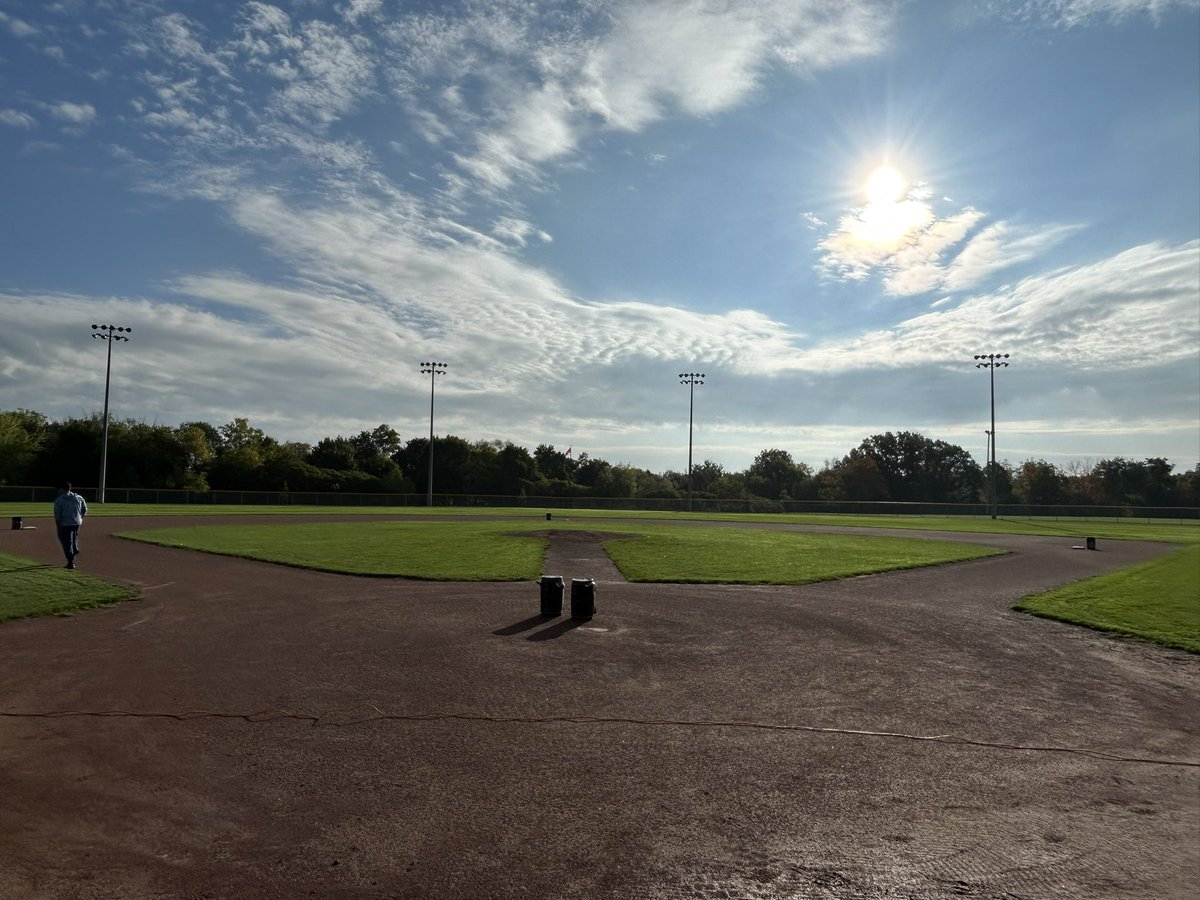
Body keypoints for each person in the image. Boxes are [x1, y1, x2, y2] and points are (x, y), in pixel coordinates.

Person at [53, 481, 88, 569]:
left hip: (64, 524)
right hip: (77, 522)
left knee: (66, 542)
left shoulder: (59, 500)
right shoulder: (79, 497)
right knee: (74, 537)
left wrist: (58, 526)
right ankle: (75, 549)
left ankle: (71, 562)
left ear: (62, 489)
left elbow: (58, 515)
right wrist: (80, 518)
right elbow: (84, 509)